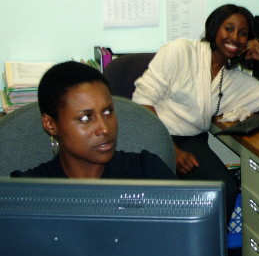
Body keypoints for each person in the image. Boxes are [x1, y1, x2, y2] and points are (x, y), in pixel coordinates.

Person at [132, 3, 259, 220]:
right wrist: (171, 149)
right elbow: (141, 101)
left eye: (243, 34)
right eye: (228, 29)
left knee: (224, 188)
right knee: (162, 198)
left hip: (191, 141)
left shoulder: (233, 80)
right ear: (214, 28)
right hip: (153, 134)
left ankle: (209, 249)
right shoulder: (180, 51)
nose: (234, 38)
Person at [11, 61, 176, 179]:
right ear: (50, 124)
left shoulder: (147, 173)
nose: (104, 129)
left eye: (107, 112)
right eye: (85, 117)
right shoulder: (30, 191)